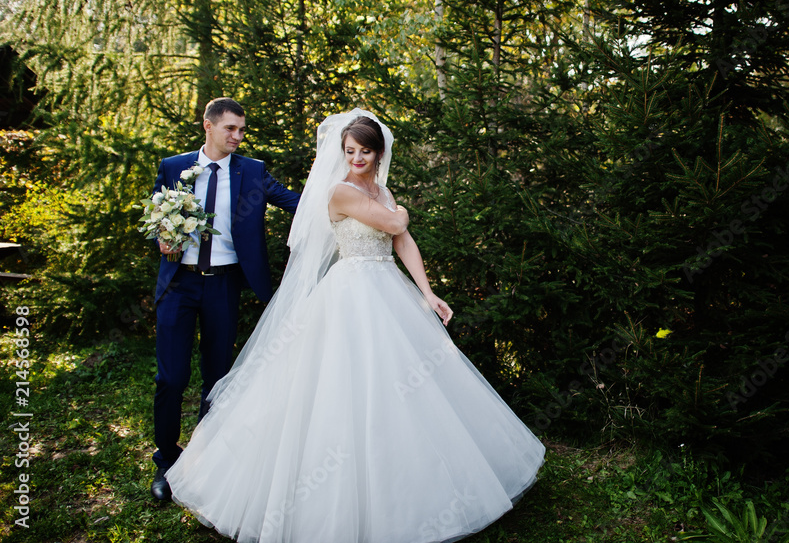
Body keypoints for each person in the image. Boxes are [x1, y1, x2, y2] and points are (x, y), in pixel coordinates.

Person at [164, 109, 545, 542]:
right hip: (349, 293)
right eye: (349, 151)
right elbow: (394, 223)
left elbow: (403, 239)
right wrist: (399, 214)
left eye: (364, 151)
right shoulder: (339, 192)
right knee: (337, 389)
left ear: (379, 153)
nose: (356, 158)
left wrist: (426, 292)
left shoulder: (383, 189)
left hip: (388, 290)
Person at [150, 97, 300, 502]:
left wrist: (351, 196)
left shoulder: (252, 172)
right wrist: (162, 239)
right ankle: (166, 459)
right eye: (230, 128)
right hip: (179, 284)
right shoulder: (173, 167)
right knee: (172, 378)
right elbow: (156, 218)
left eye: (241, 130)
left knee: (216, 378)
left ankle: (202, 459)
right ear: (208, 126)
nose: (238, 136)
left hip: (224, 285)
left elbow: (294, 202)